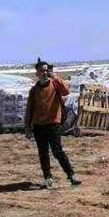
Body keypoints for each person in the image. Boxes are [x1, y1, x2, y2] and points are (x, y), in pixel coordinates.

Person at [24, 61, 81, 189]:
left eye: (46, 70)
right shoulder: (34, 91)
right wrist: (28, 127)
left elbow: (66, 91)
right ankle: (48, 178)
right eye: (42, 71)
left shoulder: (55, 85)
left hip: (53, 124)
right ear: (36, 73)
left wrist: (55, 77)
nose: (44, 73)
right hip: (39, 126)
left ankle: (71, 175)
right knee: (43, 153)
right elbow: (29, 110)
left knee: (58, 151)